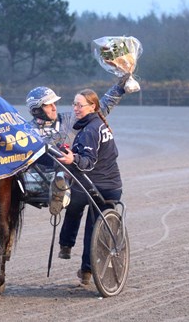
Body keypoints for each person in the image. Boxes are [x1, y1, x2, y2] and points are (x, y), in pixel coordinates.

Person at [25, 76, 128, 217]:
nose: (55, 107)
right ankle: (59, 188)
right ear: (37, 109)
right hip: (38, 180)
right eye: (49, 105)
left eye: (54, 103)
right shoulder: (26, 131)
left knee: (67, 175)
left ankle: (61, 188)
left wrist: (119, 88)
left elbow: (99, 108)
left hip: (70, 175)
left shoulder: (69, 120)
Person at [56, 89, 123, 285]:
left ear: (92, 106)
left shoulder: (90, 131)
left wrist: (72, 158)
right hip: (113, 186)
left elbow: (89, 162)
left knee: (74, 204)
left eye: (80, 105)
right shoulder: (100, 124)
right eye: (74, 104)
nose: (75, 108)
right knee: (93, 227)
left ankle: (66, 244)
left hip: (95, 186)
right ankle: (86, 271)